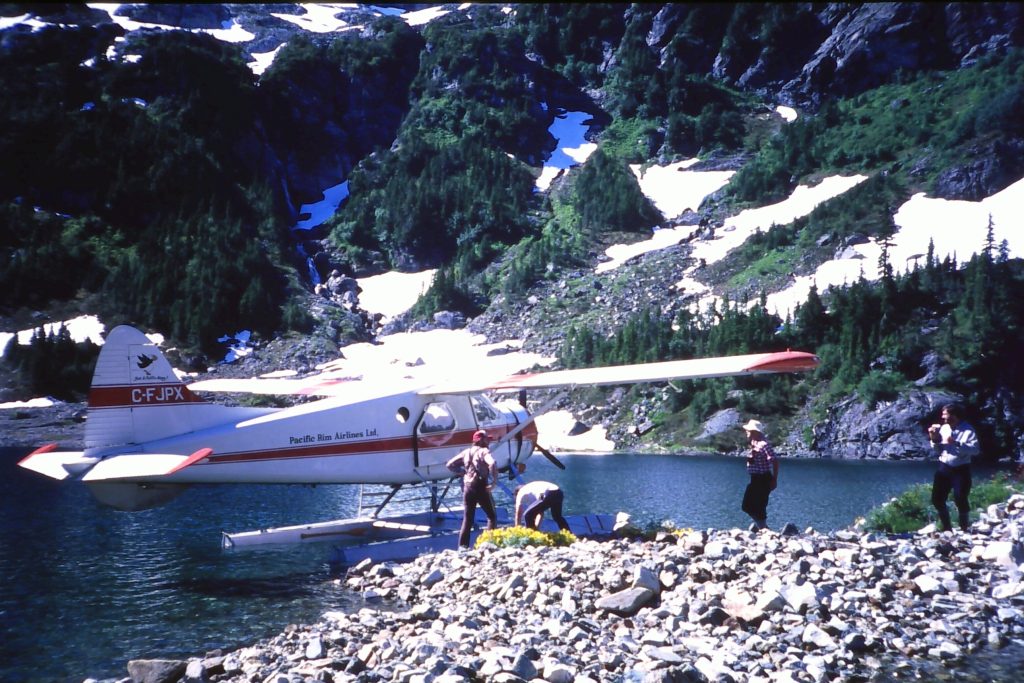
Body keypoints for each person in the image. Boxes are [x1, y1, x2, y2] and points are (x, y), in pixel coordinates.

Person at [928, 403, 980, 532]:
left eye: (946, 415)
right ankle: (947, 528)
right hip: (944, 467)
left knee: (960, 497)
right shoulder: (944, 428)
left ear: (955, 416)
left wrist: (957, 443)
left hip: (960, 469)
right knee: (937, 499)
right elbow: (938, 449)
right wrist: (933, 438)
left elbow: (975, 450)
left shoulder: (968, 430)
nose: (943, 418)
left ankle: (963, 528)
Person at [446, 429, 498, 548]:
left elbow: (450, 465)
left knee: (468, 519)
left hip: (468, 488)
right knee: (491, 516)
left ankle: (462, 548)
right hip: (480, 486)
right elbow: (492, 463)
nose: (489, 442)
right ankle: (490, 544)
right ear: (481, 441)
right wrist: (494, 482)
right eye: (487, 439)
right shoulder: (484, 451)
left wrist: (463, 473)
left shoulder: (466, 452)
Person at [741, 419, 778, 531]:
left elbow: (775, 461)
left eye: (748, 430)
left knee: (760, 506)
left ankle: (764, 530)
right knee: (747, 505)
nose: (746, 432)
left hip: (763, 479)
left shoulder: (764, 445)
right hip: (755, 479)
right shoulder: (754, 442)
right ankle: (764, 528)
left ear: (754, 432)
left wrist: (774, 480)